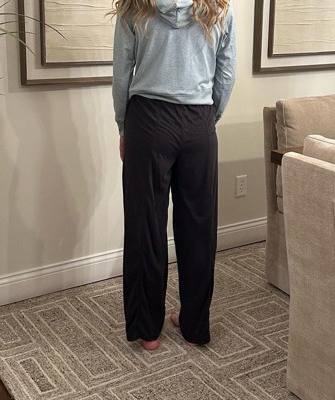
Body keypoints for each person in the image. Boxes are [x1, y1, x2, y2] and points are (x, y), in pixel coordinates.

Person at [112, 0, 236, 350]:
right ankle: (195, 326)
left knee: (145, 226)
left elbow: (122, 72)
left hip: (148, 121)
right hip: (198, 120)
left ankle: (148, 330)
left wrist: (123, 125)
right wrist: (209, 118)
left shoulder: (135, 6)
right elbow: (227, 72)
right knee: (199, 227)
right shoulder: (219, 8)